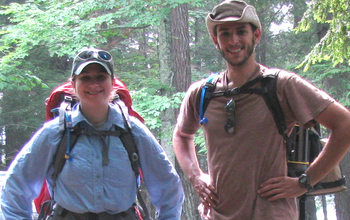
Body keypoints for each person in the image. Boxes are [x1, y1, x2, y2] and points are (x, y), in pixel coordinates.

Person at [172, 0, 350, 219]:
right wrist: (196, 176)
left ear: (256, 35)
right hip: (217, 215)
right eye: (225, 33)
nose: (233, 40)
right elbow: (181, 135)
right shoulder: (202, 93)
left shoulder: (281, 85)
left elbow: (345, 124)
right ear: (215, 40)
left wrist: (305, 181)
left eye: (241, 31)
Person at [1, 48, 184, 220]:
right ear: (73, 83)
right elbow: (16, 186)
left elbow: (168, 186)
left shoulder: (133, 132)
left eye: (100, 76)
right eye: (85, 77)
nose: (93, 84)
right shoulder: (55, 133)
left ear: (112, 83)